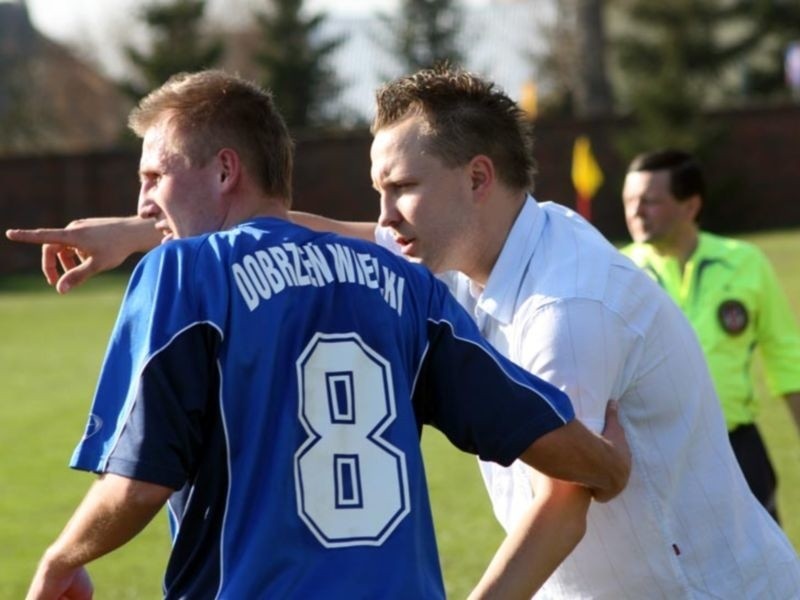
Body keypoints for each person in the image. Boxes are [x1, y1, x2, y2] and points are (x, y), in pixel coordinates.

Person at [8, 67, 800, 598]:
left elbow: (570, 498)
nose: (382, 218)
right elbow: (295, 231)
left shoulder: (567, 310)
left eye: (401, 190)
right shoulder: (462, 256)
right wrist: (145, 228)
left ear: (476, 179)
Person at [621, 148, 800, 522]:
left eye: (650, 201)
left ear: (690, 206)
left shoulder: (745, 263)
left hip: (736, 448)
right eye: (630, 200)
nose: (636, 212)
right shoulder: (617, 273)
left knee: (763, 574)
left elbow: (786, 356)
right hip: (652, 455)